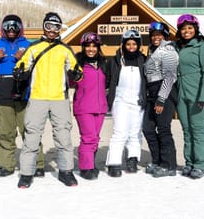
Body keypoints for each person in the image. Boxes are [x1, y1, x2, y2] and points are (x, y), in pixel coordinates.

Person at [14, 12, 83, 188]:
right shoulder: (33, 48)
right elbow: (21, 66)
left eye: (56, 27)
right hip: (37, 97)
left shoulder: (65, 49)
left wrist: (76, 74)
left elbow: (77, 71)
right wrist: (20, 72)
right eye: (49, 26)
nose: (52, 31)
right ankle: (26, 173)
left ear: (60, 29)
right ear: (44, 27)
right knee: (31, 136)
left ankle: (66, 171)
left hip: (59, 98)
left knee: (63, 136)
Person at [0, 14, 45, 178]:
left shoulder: (29, 46)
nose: (11, 29)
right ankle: (6, 166)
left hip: (24, 94)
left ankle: (37, 164)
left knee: (29, 130)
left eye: (15, 25)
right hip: (3, 93)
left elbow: (39, 69)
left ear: (20, 27)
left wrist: (24, 60)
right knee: (6, 132)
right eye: (8, 25)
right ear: (3, 27)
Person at [176, 14, 204, 179]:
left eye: (190, 28)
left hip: (198, 94)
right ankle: (190, 162)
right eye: (183, 29)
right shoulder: (179, 47)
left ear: (195, 29)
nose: (186, 31)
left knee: (198, 130)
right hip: (182, 95)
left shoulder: (202, 46)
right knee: (186, 130)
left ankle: (203, 165)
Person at [105, 29, 146, 177]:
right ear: (123, 45)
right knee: (120, 132)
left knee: (135, 132)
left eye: (134, 44)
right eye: (128, 44)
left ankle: (132, 159)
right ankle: (114, 163)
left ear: (139, 45)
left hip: (138, 100)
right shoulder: (115, 61)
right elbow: (107, 80)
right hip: (120, 99)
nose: (131, 47)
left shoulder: (144, 60)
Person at [143, 22, 179, 177]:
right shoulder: (152, 50)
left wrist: (161, 99)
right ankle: (157, 160)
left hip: (164, 92)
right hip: (152, 92)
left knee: (163, 129)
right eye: (153, 35)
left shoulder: (168, 50)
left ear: (165, 35)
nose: (155, 37)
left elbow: (170, 76)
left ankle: (169, 165)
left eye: (158, 35)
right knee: (148, 128)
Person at [71, 32, 107, 180]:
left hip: (100, 107)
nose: (91, 49)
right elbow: (70, 81)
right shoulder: (78, 64)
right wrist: (72, 76)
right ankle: (86, 168)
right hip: (84, 106)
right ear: (83, 47)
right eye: (88, 46)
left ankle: (91, 163)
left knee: (96, 138)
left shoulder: (103, 64)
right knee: (88, 137)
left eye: (94, 46)